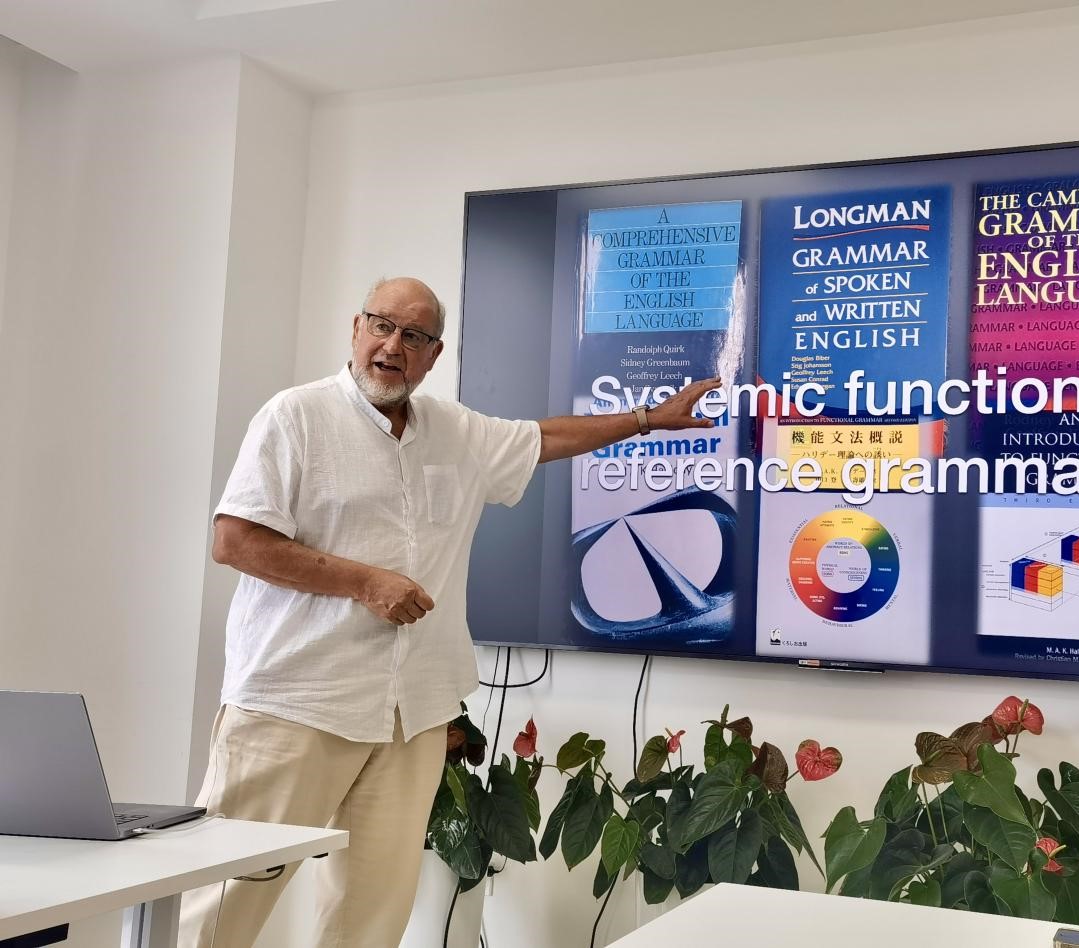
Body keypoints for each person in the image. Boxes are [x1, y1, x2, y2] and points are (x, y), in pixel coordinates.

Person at [178, 276, 719, 947]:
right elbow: (236, 541)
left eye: (414, 335)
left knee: (370, 918)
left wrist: (646, 420)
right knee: (224, 904)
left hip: (412, 713)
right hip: (296, 702)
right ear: (356, 329)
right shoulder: (296, 417)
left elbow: (545, 437)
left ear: (434, 354)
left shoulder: (454, 430)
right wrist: (363, 582)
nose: (392, 345)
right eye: (382, 325)